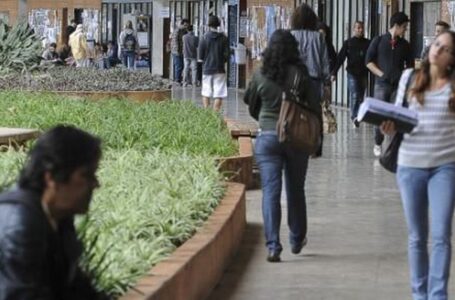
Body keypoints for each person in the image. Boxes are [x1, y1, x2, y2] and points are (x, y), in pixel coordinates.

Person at [380, 30, 455, 300]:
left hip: (444, 167)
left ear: (452, 60)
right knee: (417, 236)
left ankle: (437, 296)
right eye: (437, 44)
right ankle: (419, 294)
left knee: (442, 235)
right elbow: (397, 116)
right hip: (410, 165)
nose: (438, 50)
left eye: (446, 49)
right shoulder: (409, 78)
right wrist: (389, 126)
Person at [0, 125, 107, 299]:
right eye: (87, 175)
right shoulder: (20, 223)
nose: (96, 184)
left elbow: (76, 287)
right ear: (51, 177)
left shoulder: (58, 214)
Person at [244, 29, 321, 263]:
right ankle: (297, 239)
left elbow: (250, 101)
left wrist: (265, 120)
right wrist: (317, 141)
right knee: (296, 189)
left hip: (267, 138)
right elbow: (315, 108)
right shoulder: (301, 74)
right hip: (296, 138)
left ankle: (273, 246)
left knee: (271, 191)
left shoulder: (260, 74)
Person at [366, 11, 413, 157]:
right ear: (396, 26)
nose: (405, 30)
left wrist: (404, 78)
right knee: (380, 115)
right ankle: (378, 142)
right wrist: (382, 74)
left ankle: (393, 147)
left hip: (398, 86)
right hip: (381, 84)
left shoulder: (405, 45)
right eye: (404, 27)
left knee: (395, 115)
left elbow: (410, 66)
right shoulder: (378, 40)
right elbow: (368, 61)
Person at [290, 4, 330, 108]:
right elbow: (325, 62)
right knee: (314, 115)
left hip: (294, 80)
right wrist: (327, 84)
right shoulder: (319, 38)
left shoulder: (290, 35)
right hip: (314, 81)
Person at [332, 21, 371, 127]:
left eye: (362, 28)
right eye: (358, 28)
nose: (360, 30)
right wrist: (334, 72)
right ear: (354, 29)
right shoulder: (348, 43)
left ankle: (357, 114)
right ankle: (354, 117)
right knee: (355, 94)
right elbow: (340, 58)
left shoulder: (368, 43)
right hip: (352, 73)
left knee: (361, 96)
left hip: (363, 73)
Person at [198, 15, 229, 112]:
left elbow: (200, 56)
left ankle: (207, 113)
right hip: (220, 69)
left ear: (208, 25)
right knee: (219, 93)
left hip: (207, 68)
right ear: (218, 25)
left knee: (206, 92)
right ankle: (215, 114)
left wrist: (204, 61)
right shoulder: (224, 38)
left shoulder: (204, 37)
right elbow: (227, 54)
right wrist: (221, 61)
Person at [171, 19, 189, 84]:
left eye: (187, 25)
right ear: (181, 24)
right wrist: (177, 51)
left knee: (181, 65)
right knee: (179, 65)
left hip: (182, 51)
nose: (186, 26)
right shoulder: (177, 31)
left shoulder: (185, 31)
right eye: (185, 25)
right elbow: (175, 42)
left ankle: (179, 79)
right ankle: (177, 80)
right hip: (177, 52)